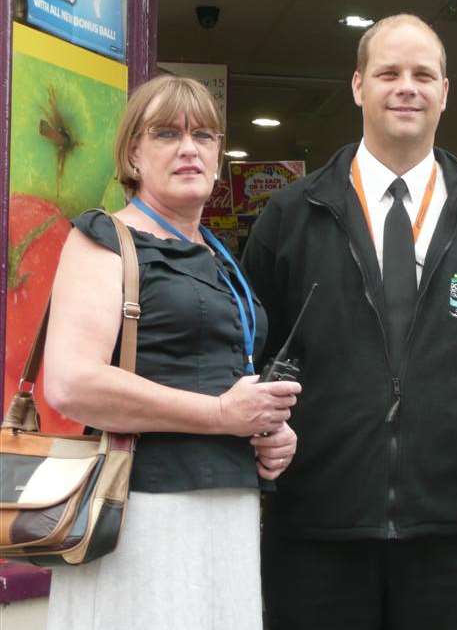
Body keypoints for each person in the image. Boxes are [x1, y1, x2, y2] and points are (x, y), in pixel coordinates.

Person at [242, 13, 457, 630]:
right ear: (358, 86)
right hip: (317, 522)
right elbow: (255, 348)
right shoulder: (293, 213)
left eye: (422, 74)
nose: (406, 87)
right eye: (388, 72)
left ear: (444, 92)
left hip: (452, 526)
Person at [41, 75, 301, 630]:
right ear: (134, 153)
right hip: (138, 512)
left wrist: (266, 431)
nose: (190, 148)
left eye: (204, 135)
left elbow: (225, 378)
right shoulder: (104, 238)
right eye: (167, 134)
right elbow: (70, 383)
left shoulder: (221, 257)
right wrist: (220, 416)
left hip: (229, 511)